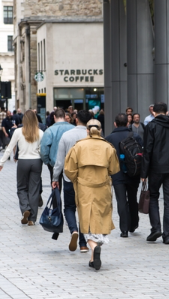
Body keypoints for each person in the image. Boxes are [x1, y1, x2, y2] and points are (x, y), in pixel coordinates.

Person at [64, 119, 120, 270]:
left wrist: (78, 179)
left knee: (86, 220)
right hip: (102, 187)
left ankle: (94, 248)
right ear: (100, 130)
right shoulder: (108, 147)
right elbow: (114, 169)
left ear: (87, 130)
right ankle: (93, 255)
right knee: (101, 219)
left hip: (84, 187)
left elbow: (69, 170)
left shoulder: (79, 146)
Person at [141, 102, 169, 244]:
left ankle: (156, 228)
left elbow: (147, 150)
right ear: (167, 112)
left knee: (153, 196)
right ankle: (168, 235)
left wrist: (144, 173)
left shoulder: (151, 126)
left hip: (155, 168)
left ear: (153, 112)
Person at [52, 110, 94, 253]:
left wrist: (55, 178)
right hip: (87, 179)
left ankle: (74, 230)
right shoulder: (93, 136)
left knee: (69, 207)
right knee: (84, 209)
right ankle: (83, 243)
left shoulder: (66, 136)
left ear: (76, 120)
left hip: (69, 177)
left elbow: (60, 160)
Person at [0, 111, 44, 225]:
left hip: (23, 161)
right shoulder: (40, 132)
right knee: (34, 190)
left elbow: (9, 148)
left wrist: (1, 163)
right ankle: (32, 219)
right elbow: (42, 150)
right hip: (37, 161)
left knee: (22, 188)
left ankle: (25, 208)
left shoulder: (18, 131)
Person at [105, 114, 142, 236]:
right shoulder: (135, 136)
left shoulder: (109, 138)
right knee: (132, 198)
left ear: (115, 124)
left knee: (121, 201)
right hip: (134, 173)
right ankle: (133, 223)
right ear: (128, 123)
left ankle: (124, 229)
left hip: (116, 174)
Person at [40, 109, 74, 196]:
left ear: (54, 117)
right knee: (70, 191)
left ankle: (56, 208)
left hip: (54, 163)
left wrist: (47, 162)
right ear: (64, 117)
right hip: (71, 164)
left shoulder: (49, 130)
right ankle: (69, 208)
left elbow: (44, 149)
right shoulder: (73, 128)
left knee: (55, 188)